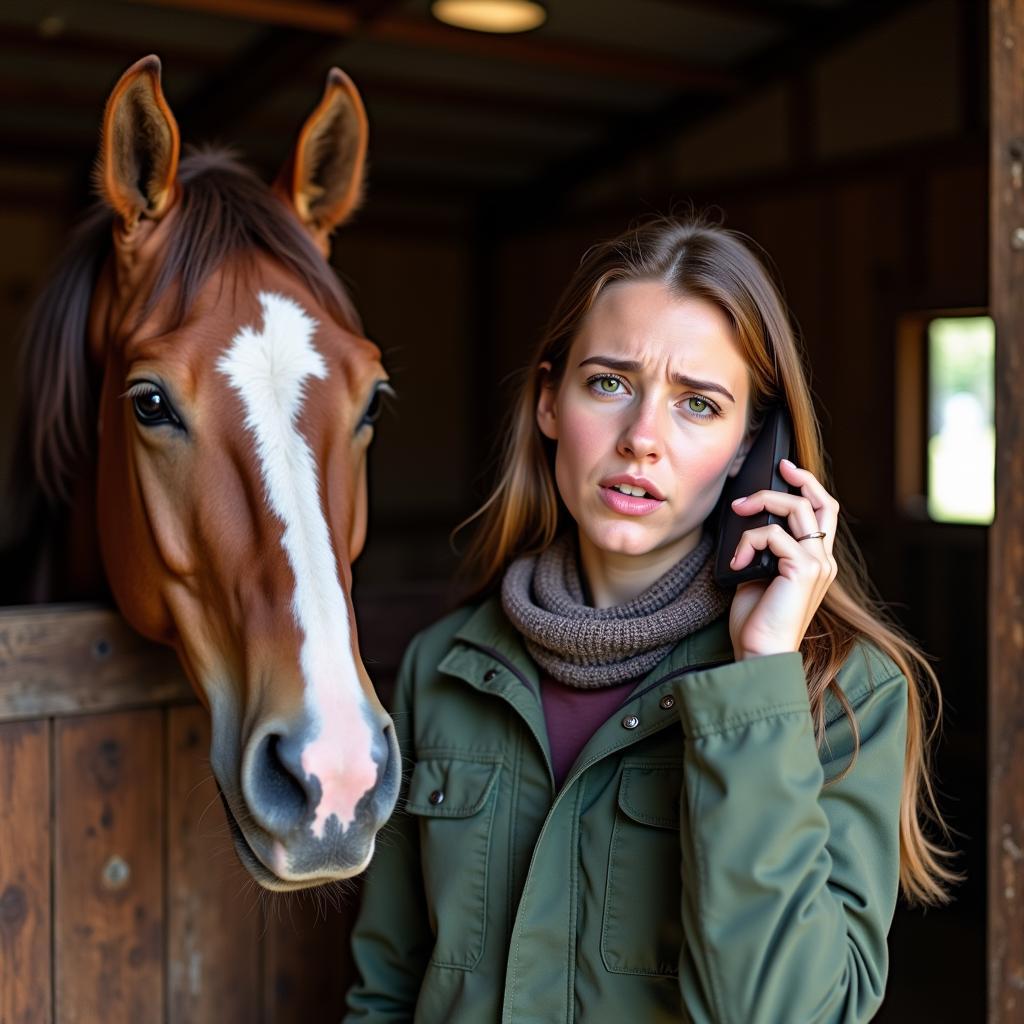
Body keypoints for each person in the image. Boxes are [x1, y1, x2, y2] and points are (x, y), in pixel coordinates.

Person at [343, 216, 956, 1023]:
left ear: (749, 448)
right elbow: (387, 989)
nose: (642, 440)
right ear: (549, 403)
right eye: (609, 384)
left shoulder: (842, 690)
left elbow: (788, 1014)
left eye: (699, 405)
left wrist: (760, 677)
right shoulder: (444, 667)